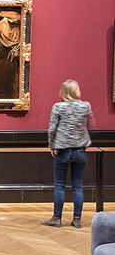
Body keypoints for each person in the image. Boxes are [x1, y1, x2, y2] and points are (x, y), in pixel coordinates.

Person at [42, 80, 93, 229]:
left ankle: (57, 218)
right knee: (78, 185)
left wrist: (51, 145)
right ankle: (77, 219)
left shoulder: (58, 107)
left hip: (62, 150)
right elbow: (91, 124)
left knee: (59, 185)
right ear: (74, 91)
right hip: (80, 149)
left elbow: (52, 129)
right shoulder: (85, 106)